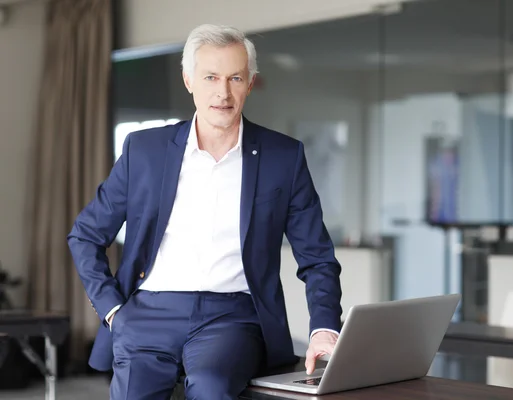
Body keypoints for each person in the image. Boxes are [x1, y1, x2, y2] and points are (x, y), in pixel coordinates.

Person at [67, 24, 342, 399]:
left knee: (212, 388)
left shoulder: (284, 157)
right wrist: (113, 309)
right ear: (188, 80)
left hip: (231, 317)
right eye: (210, 77)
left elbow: (317, 257)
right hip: (147, 311)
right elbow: (86, 234)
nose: (222, 92)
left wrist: (323, 328)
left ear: (250, 83)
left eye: (235, 78)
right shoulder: (144, 151)